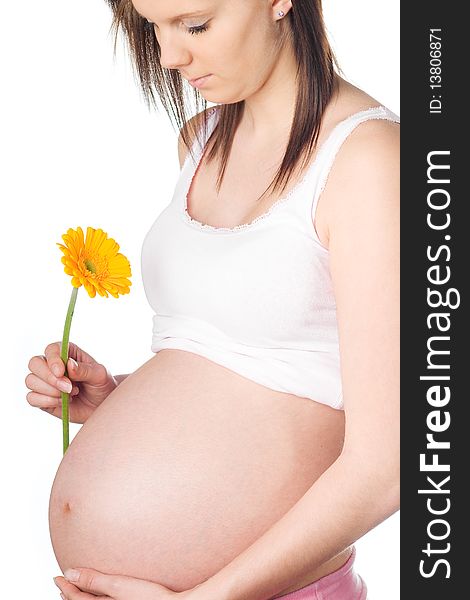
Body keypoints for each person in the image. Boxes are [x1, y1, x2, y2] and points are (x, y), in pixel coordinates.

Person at [26, 1, 399, 599]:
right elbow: (254, 367)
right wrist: (117, 403)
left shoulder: (369, 161)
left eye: (194, 25)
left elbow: (390, 465)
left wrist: (208, 598)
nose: (170, 56)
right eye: (154, 27)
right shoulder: (200, 140)